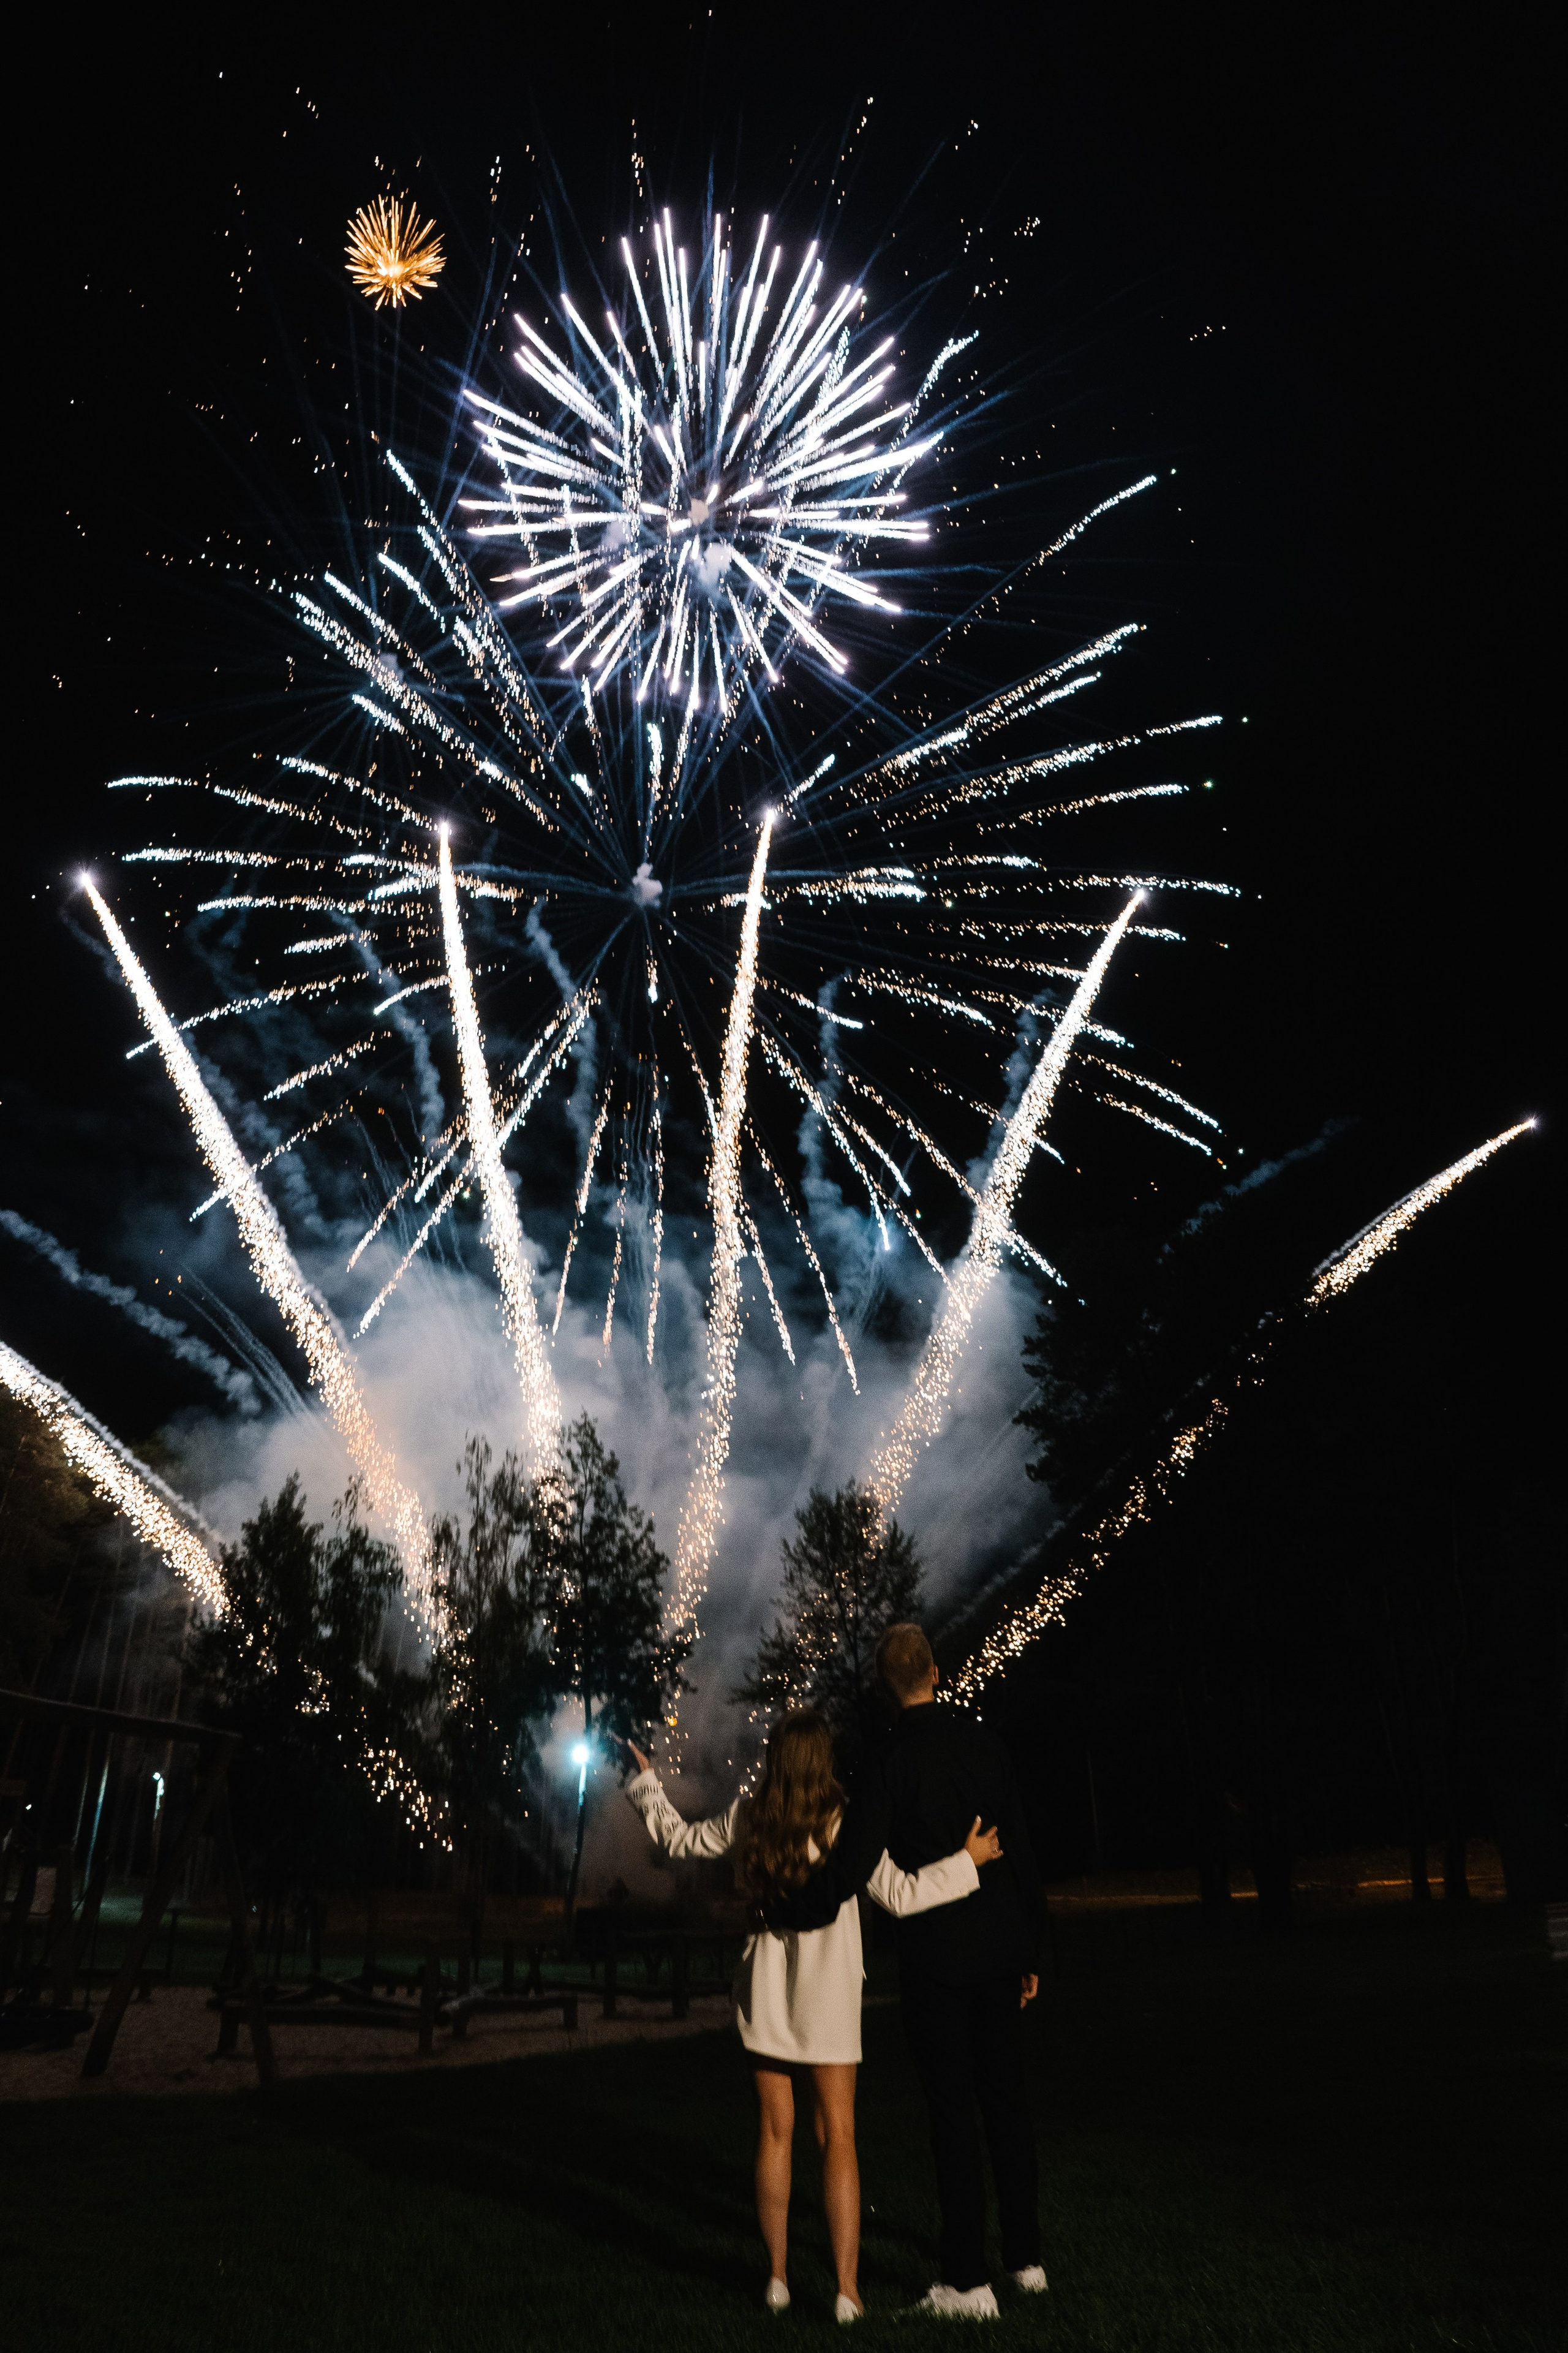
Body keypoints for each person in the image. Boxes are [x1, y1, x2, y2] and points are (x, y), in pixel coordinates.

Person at [622, 1710, 1002, 2322]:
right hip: (826, 1997)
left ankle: (776, 2278)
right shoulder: (846, 1823)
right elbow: (902, 1894)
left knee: (776, 2132)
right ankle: (847, 2291)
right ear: (821, 1762)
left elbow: (679, 1839)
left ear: (776, 1759)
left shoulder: (752, 1816)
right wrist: (967, 1861)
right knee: (839, 2136)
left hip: (766, 1994)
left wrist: (646, 1784)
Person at [772, 1623, 1047, 2321]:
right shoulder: (983, 1740)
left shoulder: (887, 1758)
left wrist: (788, 1904)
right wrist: (1031, 1949)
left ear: (884, 1685)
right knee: (1007, 2101)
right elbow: (1021, 1842)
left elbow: (852, 1865)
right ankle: (1025, 2258)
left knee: (952, 2110)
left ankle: (966, 2280)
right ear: (935, 1668)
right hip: (997, 1946)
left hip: (939, 1957)